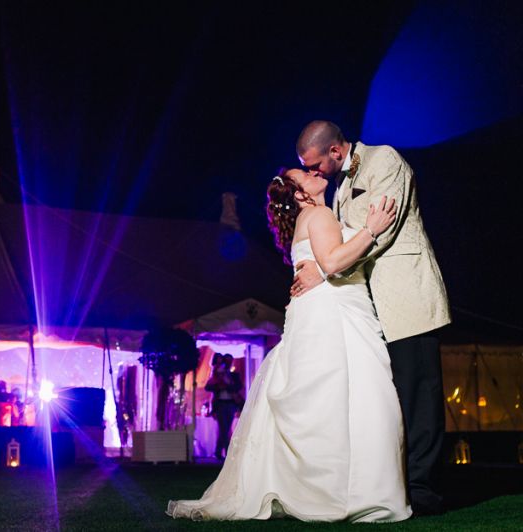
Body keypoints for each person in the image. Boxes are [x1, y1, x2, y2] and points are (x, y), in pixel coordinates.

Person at [168, 167, 410, 522]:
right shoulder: (320, 214)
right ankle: (350, 493)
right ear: (299, 194)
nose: (315, 172)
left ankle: (323, 487)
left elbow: (323, 262)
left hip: (317, 312)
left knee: (329, 401)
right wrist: (372, 229)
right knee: (356, 398)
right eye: (305, 174)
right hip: (334, 313)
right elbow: (332, 261)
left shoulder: (311, 218)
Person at [293, 121, 451, 515]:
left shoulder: (385, 159)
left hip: (407, 295)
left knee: (419, 395)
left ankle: (424, 489)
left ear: (333, 151)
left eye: (314, 165)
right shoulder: (339, 188)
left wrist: (327, 268)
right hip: (372, 304)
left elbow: (383, 229)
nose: (313, 173)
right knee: (390, 400)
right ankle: (397, 483)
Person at [204, 353, 243, 460]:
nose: (228, 363)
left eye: (230, 361)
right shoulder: (216, 374)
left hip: (231, 404)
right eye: (226, 361)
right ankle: (226, 452)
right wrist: (218, 383)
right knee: (224, 428)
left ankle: (220, 451)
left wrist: (226, 385)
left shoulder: (234, 375)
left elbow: (238, 387)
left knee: (226, 428)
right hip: (220, 404)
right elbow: (207, 387)